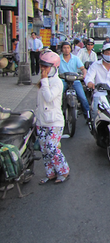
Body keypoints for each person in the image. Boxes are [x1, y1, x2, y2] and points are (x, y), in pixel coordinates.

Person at [35, 50, 70, 184]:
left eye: (46, 67)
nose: (43, 69)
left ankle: (64, 170)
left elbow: (49, 97)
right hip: (41, 120)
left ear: (54, 67)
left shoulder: (57, 82)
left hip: (54, 121)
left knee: (52, 148)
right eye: (42, 66)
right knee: (44, 149)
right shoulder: (43, 81)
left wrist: (44, 80)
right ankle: (50, 173)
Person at [59, 41, 91, 122]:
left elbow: (82, 68)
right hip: (63, 81)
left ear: (70, 49)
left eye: (68, 48)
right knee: (58, 97)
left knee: (83, 98)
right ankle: (58, 114)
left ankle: (87, 115)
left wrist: (84, 74)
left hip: (75, 81)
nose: (66, 50)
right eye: (64, 48)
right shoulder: (58, 59)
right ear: (62, 49)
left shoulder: (75, 58)